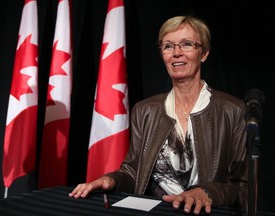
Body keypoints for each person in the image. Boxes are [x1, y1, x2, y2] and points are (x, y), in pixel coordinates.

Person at [69, 15, 248, 215]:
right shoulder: (145, 110)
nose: (177, 53)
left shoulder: (233, 110)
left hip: (204, 211)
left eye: (187, 44)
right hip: (155, 209)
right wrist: (110, 180)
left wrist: (207, 191)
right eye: (168, 46)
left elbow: (241, 187)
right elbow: (132, 172)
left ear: (204, 53)